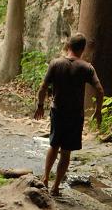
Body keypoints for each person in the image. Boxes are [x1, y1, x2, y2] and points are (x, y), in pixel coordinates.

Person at [35, 33, 104, 196]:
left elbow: (43, 87)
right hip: (75, 115)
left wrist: (40, 106)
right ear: (82, 49)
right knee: (66, 152)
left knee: (53, 145)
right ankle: (55, 186)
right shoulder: (87, 68)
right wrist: (97, 111)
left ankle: (45, 178)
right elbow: (100, 90)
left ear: (68, 46)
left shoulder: (55, 64)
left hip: (57, 111)